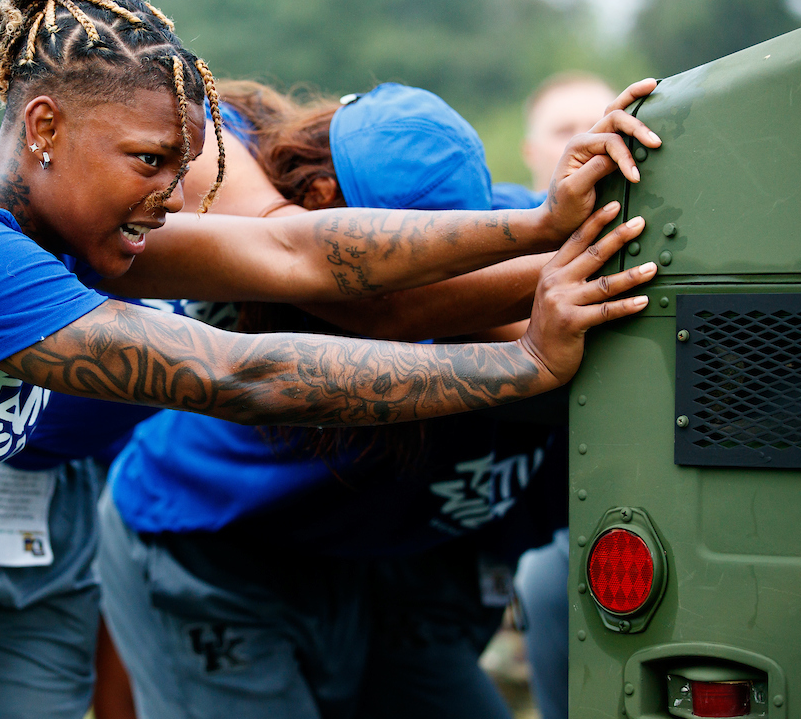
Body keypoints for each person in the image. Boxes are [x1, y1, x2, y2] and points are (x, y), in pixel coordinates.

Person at [0, 0, 658, 719]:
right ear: (41, 128)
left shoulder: (66, 229)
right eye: (147, 160)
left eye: (184, 160)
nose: (172, 192)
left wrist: (538, 224)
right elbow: (241, 371)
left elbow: (294, 251)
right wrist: (519, 363)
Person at [93, 79, 626, 719]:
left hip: (363, 561)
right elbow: (382, 302)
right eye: (415, 251)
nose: (440, 267)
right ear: (326, 201)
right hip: (208, 543)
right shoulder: (249, 203)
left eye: (456, 244)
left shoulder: (510, 235)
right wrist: (565, 275)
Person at [511, 71, 616, 719]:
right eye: (562, 129)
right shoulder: (481, 233)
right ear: (529, 150)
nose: (583, 143)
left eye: (599, 125)